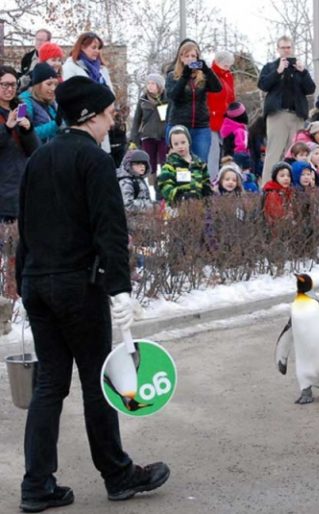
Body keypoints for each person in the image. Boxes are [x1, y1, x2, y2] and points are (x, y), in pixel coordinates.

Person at [15, 76, 169, 513]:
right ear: (90, 116)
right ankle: (118, 474)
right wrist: (119, 292)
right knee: (99, 380)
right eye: (108, 112)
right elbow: (110, 231)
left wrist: (23, 282)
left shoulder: (39, 159)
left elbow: (25, 229)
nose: (113, 118)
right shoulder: (95, 161)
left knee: (49, 385)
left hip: (38, 282)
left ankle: (37, 484)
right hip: (77, 285)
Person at [258, 36, 316, 184]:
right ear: (278, 49)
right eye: (283, 47)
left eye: (288, 47)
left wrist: (303, 73)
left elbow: (311, 89)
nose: (286, 50)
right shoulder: (270, 67)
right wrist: (278, 72)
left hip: (296, 116)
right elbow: (263, 85)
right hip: (277, 114)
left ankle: (295, 188)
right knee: (274, 153)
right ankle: (267, 188)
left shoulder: (299, 68)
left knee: (296, 153)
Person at [165, 40, 223, 160]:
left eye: (193, 56)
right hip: (179, 125)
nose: (190, 59)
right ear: (181, 57)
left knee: (200, 163)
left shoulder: (202, 77)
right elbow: (173, 96)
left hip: (200, 126)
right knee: (178, 163)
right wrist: (185, 76)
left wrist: (207, 70)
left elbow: (217, 88)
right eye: (187, 56)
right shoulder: (172, 76)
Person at [62, 32, 115, 153]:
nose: (97, 51)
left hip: (102, 119)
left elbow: (111, 94)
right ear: (82, 47)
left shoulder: (102, 70)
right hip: (83, 120)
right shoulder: (70, 67)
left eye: (99, 48)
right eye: (93, 47)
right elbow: (71, 94)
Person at [0, 66, 39, 224]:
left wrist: (27, 130)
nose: (9, 89)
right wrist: (7, 127)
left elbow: (34, 149)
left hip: (19, 185)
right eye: (4, 85)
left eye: (13, 84)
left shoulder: (20, 109)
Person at [130, 73, 168, 194]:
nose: (150, 86)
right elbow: (136, 120)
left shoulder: (167, 99)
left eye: (153, 83)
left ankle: (165, 186)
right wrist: (133, 139)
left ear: (160, 86)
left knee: (164, 162)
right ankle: (151, 188)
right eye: (148, 83)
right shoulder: (143, 100)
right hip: (147, 136)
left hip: (163, 136)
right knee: (149, 163)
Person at [158, 124, 213, 204]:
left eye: (183, 142)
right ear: (171, 146)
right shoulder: (169, 165)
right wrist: (179, 197)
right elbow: (165, 186)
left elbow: (205, 181)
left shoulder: (199, 163)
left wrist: (207, 195)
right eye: (176, 144)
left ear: (189, 142)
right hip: (177, 207)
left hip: (198, 205)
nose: (180, 146)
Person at [206, 50, 236, 178]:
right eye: (226, 65)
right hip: (212, 118)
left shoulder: (228, 76)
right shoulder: (209, 75)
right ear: (217, 62)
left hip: (226, 119)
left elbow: (231, 98)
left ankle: (227, 180)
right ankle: (212, 180)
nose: (228, 68)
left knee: (227, 151)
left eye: (230, 65)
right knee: (214, 152)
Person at [18, 63, 61, 144]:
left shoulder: (51, 101)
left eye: (56, 84)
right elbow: (23, 133)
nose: (53, 88)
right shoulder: (22, 103)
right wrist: (56, 123)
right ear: (37, 85)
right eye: (49, 84)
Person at [220, 101, 251, 172]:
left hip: (228, 159)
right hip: (239, 163)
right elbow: (241, 147)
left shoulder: (228, 128)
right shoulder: (239, 130)